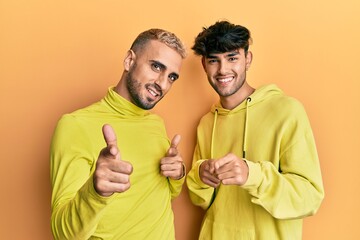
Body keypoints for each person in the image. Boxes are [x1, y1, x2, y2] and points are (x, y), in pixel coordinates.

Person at [186, 20, 324, 239]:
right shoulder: (206, 123)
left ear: (247, 60)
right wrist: (201, 176)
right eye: (214, 60)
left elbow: (309, 197)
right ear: (204, 65)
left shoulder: (287, 111)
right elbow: (201, 200)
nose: (223, 70)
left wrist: (253, 175)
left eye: (232, 58)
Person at [50, 28, 187, 240]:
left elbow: (163, 194)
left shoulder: (156, 124)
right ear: (129, 61)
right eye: (156, 66)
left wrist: (177, 174)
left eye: (171, 77)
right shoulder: (75, 125)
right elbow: (63, 234)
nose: (162, 83)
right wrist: (95, 193)